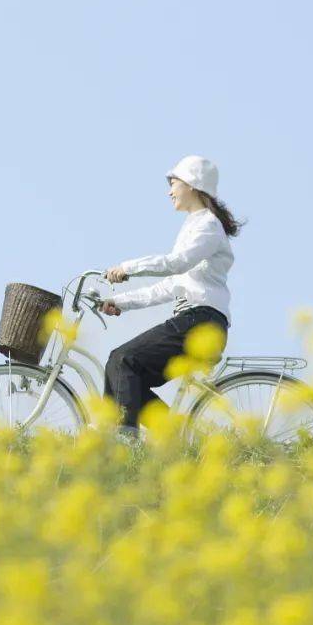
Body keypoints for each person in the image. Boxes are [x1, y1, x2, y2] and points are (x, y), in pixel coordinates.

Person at [100, 155, 245, 442]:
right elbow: (171, 285)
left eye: (173, 182)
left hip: (200, 322)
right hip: (193, 320)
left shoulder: (208, 226)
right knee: (126, 376)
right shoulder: (194, 226)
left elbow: (176, 263)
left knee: (122, 360)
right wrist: (122, 302)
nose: (169, 191)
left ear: (193, 184)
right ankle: (181, 439)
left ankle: (124, 443)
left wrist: (128, 268)